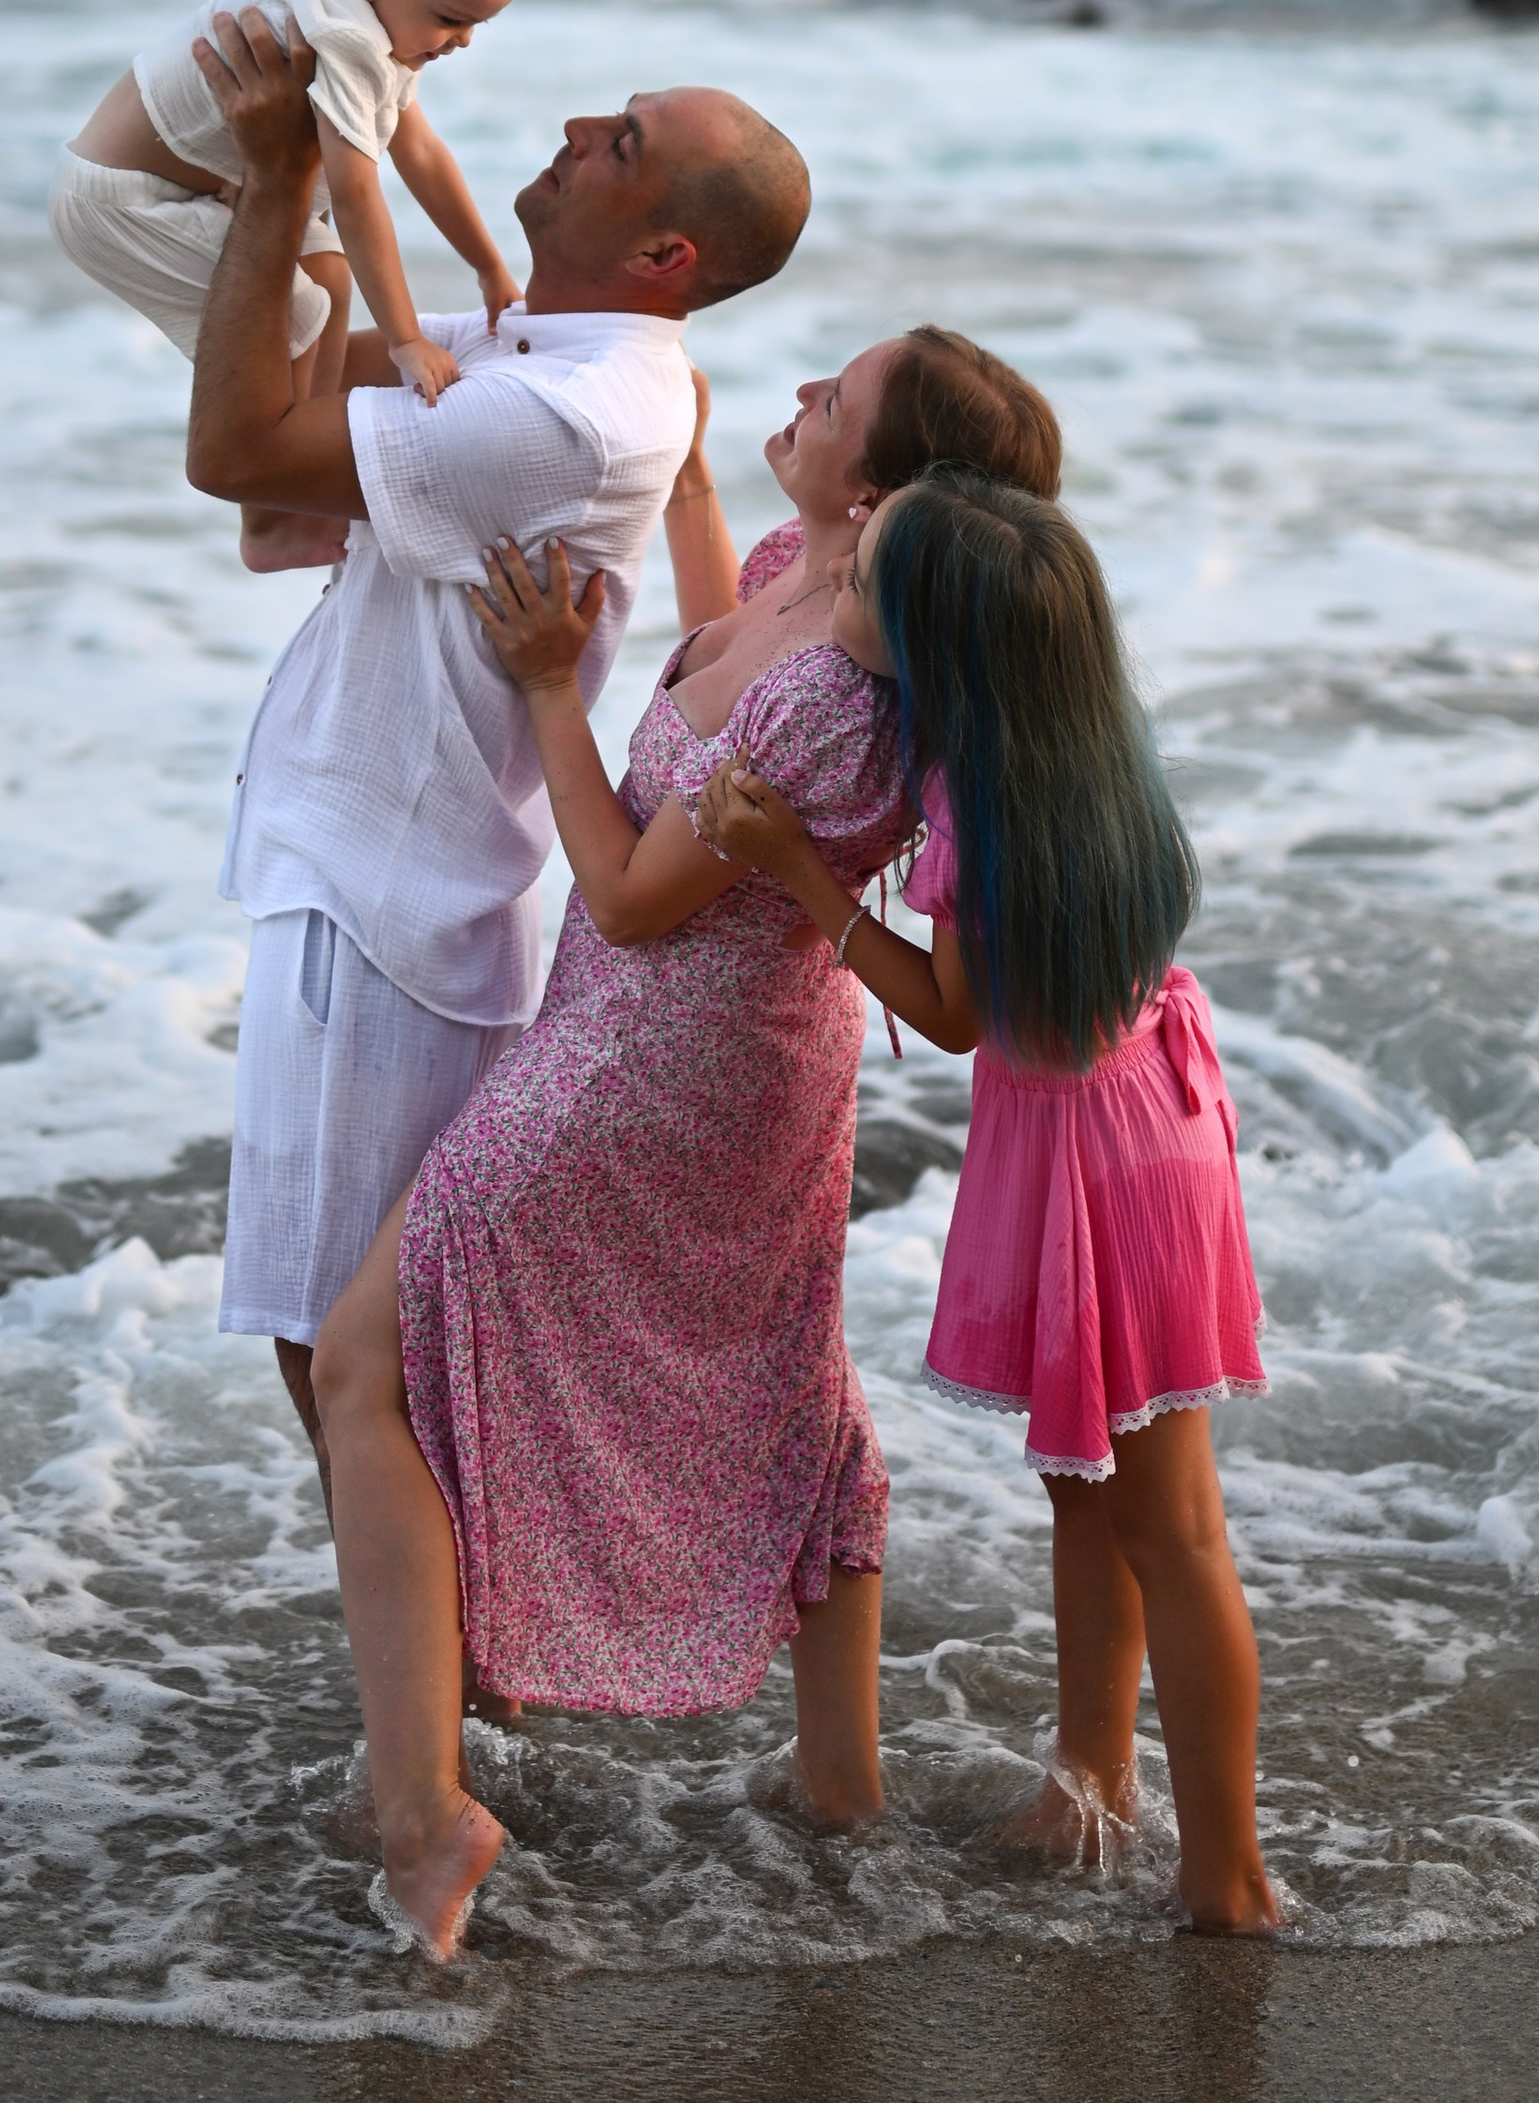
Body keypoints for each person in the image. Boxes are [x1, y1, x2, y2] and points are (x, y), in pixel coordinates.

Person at [309, 334, 1061, 1959]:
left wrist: (540, 687)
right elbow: (730, 598)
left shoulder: (845, 710)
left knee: (369, 1358)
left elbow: (637, 898)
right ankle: (837, 1783)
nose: (796, 400)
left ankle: (424, 1815)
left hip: (667, 1066)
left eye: (826, 403)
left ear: (873, 490)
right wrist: (704, 454)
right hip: (675, 1051)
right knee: (787, 1375)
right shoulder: (810, 571)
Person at [178, 0, 813, 1487]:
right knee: (367, 1335)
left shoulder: (565, 412)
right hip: (398, 870)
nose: (582, 125)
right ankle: (472, 1677)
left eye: (625, 143)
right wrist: (324, 148)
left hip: (383, 891)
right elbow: (296, 437)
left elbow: (233, 453)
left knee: (338, 1337)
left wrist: (285, 182)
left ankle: (456, 1691)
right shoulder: (539, 352)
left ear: (668, 256)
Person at [698, 465, 1281, 1936]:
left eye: (858, 586)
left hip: (1102, 1159)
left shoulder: (974, 803)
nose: (833, 596)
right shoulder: (1083, 740)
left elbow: (950, 1015)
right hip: (1132, 1119)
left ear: (937, 649)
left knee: (1172, 1525)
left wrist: (803, 877)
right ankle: (1093, 1779)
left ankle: (1232, 1877)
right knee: (1087, 1487)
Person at [48, 0, 530, 569]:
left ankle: (302, 483)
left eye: (476, 26)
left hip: (183, 185)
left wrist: (491, 268)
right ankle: (272, 520)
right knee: (299, 309)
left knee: (329, 276)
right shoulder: (345, 36)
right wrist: (405, 341)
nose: (461, 40)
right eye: (451, 18)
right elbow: (359, 192)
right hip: (120, 203)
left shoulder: (363, 10)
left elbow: (422, 154)